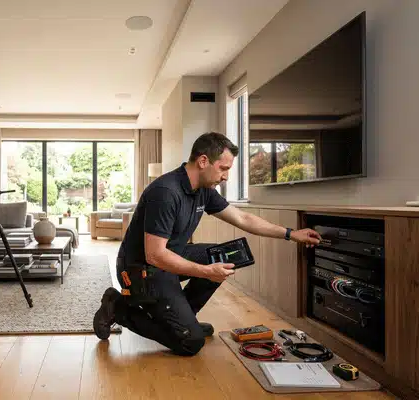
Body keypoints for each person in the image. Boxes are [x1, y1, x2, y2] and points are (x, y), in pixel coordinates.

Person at [93, 132, 322, 356]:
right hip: (141, 269)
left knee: (226, 256)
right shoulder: (166, 192)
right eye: (223, 168)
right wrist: (205, 271)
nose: (226, 176)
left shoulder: (204, 190)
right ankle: (120, 308)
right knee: (191, 342)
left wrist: (291, 233)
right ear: (203, 161)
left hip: (169, 257)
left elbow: (242, 218)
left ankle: (184, 320)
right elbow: (155, 255)